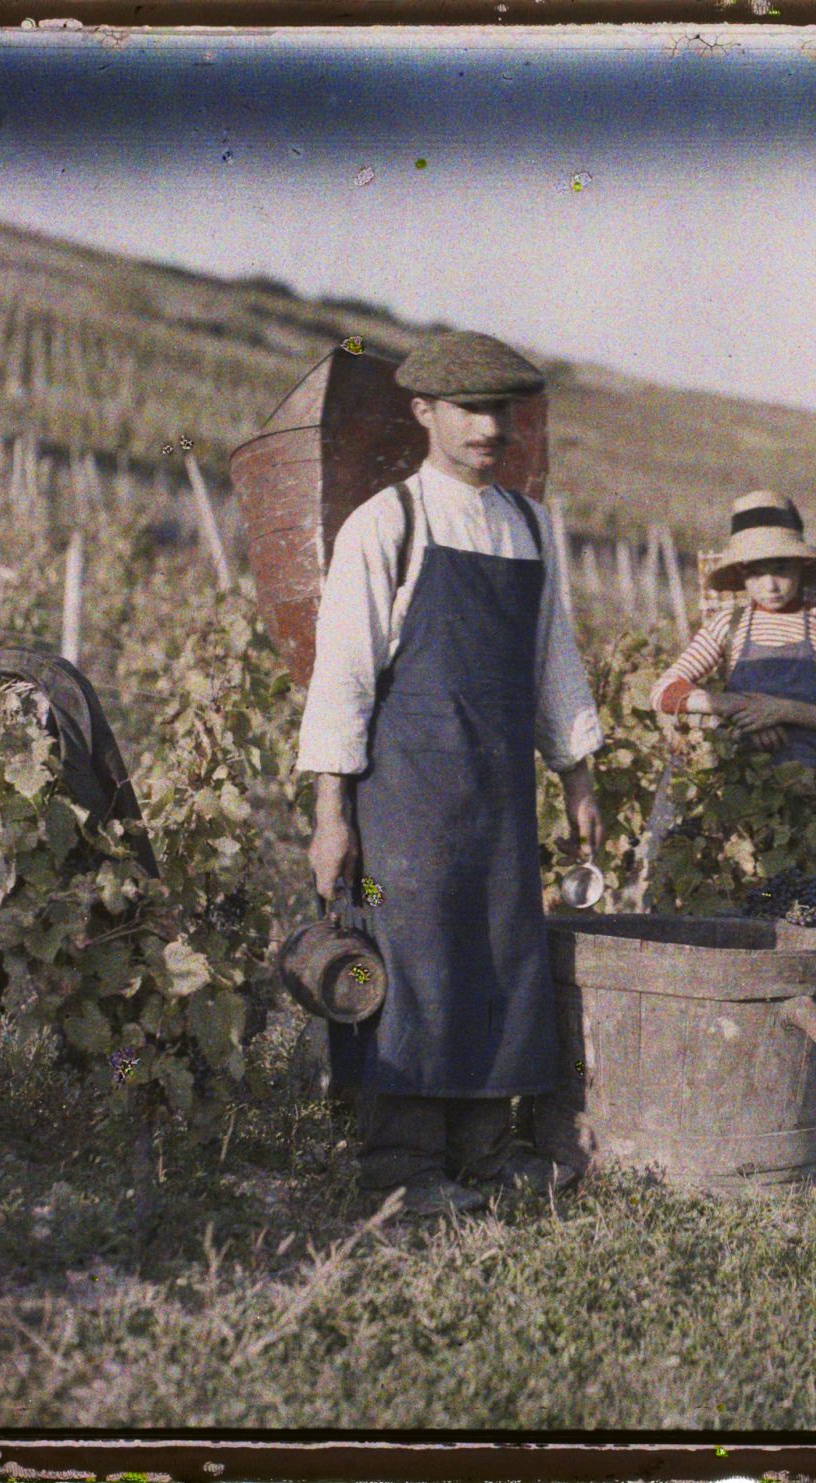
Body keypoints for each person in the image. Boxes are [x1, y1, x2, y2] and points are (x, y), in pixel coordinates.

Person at [297, 330, 605, 1218]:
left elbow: (556, 658)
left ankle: (483, 1149)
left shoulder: (529, 525)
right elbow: (344, 674)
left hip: (500, 786)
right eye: (470, 408)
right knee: (418, 960)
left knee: (503, 953)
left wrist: (578, 773)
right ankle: (401, 1162)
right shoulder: (388, 522)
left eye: (502, 409)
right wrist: (332, 812)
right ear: (424, 411)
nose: (490, 426)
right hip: (407, 786)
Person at [647, 490, 816, 788]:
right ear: (742, 574)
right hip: (739, 785)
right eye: (756, 573)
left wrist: (784, 711)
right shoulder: (728, 624)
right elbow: (662, 692)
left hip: (813, 790)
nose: (771, 586)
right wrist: (736, 708)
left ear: (800, 564)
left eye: (781, 569)